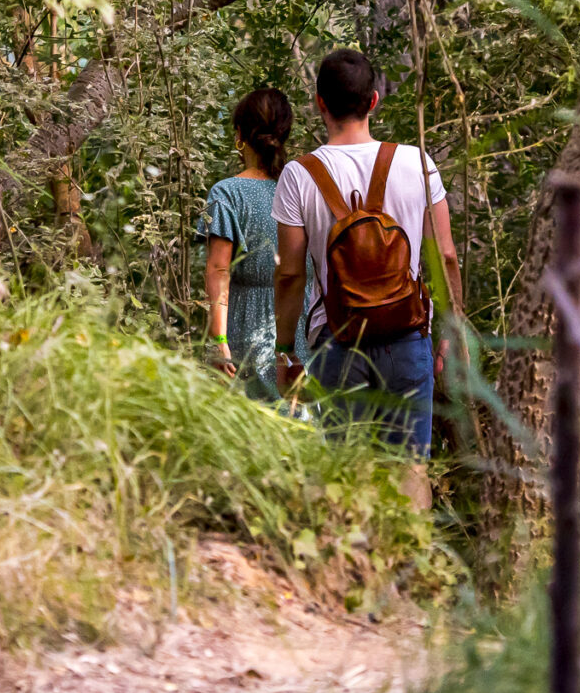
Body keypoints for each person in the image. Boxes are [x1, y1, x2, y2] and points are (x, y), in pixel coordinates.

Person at [273, 48, 462, 507]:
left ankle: (353, 570)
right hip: (407, 335)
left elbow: (291, 275)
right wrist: (450, 332)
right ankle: (410, 566)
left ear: (319, 103)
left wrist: (285, 350)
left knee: (346, 472)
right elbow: (447, 256)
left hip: (337, 342)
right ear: (374, 101)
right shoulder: (418, 163)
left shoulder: (299, 175)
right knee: (411, 470)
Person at [197, 87, 294, 398]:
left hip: (247, 327)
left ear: (239, 134)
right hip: (299, 323)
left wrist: (219, 342)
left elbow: (218, 270)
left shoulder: (227, 193)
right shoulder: (301, 188)